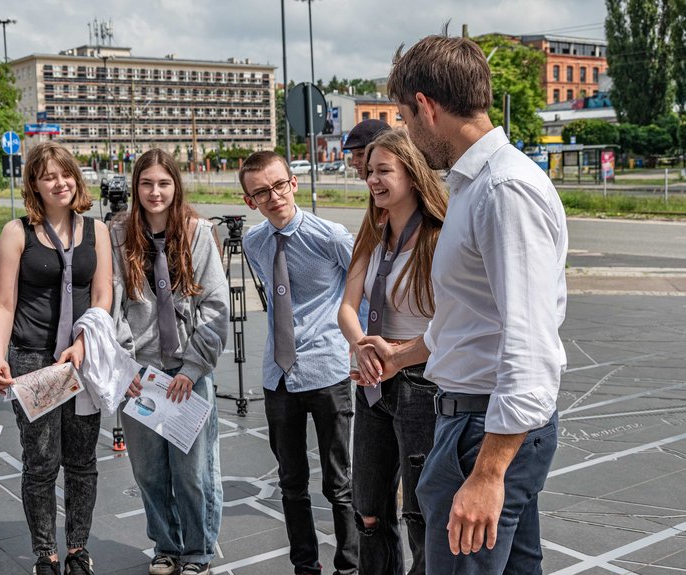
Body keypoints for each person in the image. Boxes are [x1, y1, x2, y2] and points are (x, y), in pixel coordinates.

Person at [361, 35, 568, 574]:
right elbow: (474, 317)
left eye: (405, 117)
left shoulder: (503, 191)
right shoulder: (477, 186)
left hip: (484, 430)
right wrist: (401, 355)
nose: (406, 130)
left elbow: (530, 342)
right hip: (479, 423)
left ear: (426, 106)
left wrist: (488, 473)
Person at [0, 141, 113, 575]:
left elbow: (103, 296)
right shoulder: (17, 232)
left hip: (80, 360)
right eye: (48, 177)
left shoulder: (95, 231)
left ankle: (78, 549)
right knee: (41, 463)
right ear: (34, 186)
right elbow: (4, 303)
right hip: (34, 362)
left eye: (65, 174)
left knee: (82, 462)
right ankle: (46, 553)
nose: (59, 183)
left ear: (76, 178)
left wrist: (83, 343)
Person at [240, 151, 358, 575]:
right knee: (291, 483)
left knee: (340, 484)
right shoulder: (254, 243)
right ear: (250, 200)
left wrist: (358, 343)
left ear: (292, 182)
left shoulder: (331, 236)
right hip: (278, 377)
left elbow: (361, 290)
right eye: (260, 192)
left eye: (278, 185)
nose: (273, 197)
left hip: (327, 371)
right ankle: (304, 566)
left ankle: (349, 567)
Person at [111, 149, 228, 575]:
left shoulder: (197, 233)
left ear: (175, 186)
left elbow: (215, 307)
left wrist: (194, 368)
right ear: (135, 188)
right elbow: (112, 307)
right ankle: (166, 545)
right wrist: (127, 366)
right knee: (149, 471)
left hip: (187, 374)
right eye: (146, 184)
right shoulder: (119, 235)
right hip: (141, 375)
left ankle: (197, 551)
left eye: (163, 183)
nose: (155, 192)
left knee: (193, 473)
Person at [337, 128, 447, 575]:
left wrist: (397, 353)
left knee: (419, 510)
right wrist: (360, 344)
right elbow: (347, 306)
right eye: (369, 172)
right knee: (367, 506)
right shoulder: (373, 230)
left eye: (384, 171)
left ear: (413, 174)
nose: (373, 180)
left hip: (421, 381)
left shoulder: (438, 236)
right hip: (373, 381)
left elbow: (449, 321)